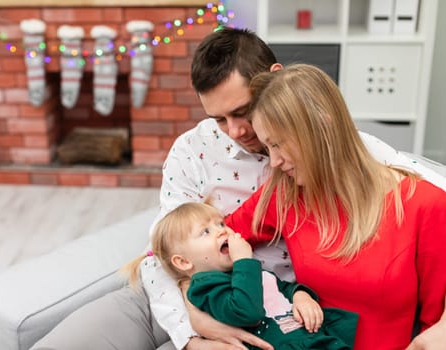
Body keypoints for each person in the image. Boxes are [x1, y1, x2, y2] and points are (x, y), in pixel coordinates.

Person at [31, 28, 446, 350]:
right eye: (219, 120)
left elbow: (409, 190)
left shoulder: (357, 164)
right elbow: (176, 246)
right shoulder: (226, 167)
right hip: (220, 297)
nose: (237, 134)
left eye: (244, 113)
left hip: (289, 316)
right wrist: (192, 323)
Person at [217, 64, 446, 349]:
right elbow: (213, 242)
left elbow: (436, 326)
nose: (273, 161)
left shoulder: (425, 204)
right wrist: (198, 315)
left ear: (322, 127)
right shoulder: (286, 194)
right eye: (268, 148)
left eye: (278, 145)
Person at [139, 201, 358, 349]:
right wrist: (245, 261)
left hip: (314, 339)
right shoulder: (205, 286)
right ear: (184, 261)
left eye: (221, 224)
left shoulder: (247, 271)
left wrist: (301, 295)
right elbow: (246, 312)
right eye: (206, 232)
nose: (222, 230)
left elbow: (282, 288)